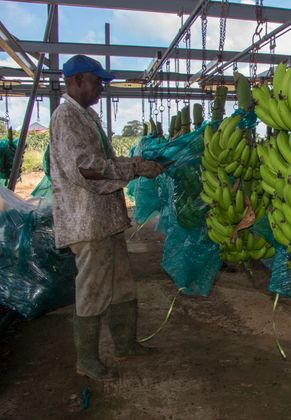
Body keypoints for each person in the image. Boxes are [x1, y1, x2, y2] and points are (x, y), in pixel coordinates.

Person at [49, 55, 163, 381]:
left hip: (106, 220)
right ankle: (86, 360)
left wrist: (134, 162)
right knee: (93, 289)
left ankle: (126, 344)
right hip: (86, 221)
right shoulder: (66, 118)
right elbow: (85, 166)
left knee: (122, 285)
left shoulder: (86, 116)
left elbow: (101, 160)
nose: (102, 87)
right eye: (98, 81)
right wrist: (134, 168)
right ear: (78, 79)